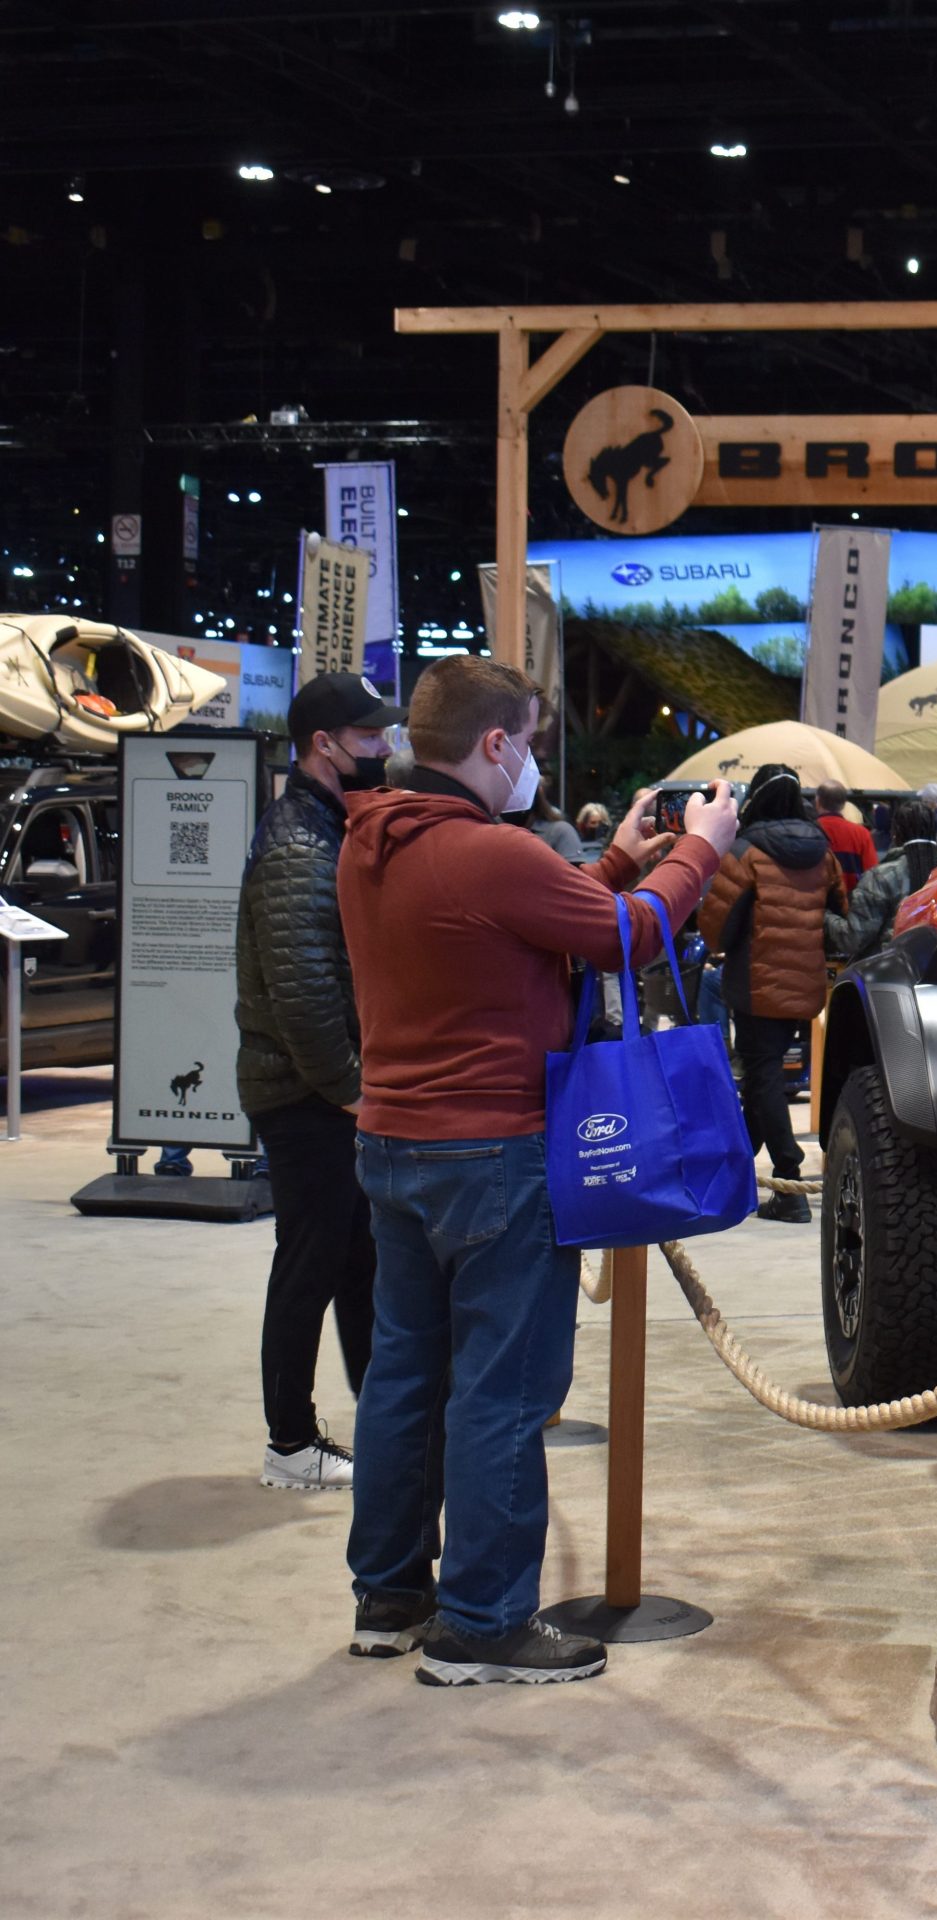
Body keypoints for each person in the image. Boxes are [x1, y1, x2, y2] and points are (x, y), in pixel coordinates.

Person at [337, 656, 737, 1686]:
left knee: (404, 1377)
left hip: (394, 1141)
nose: (535, 764)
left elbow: (516, 928)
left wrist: (607, 860)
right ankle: (481, 1624)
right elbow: (631, 934)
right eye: (531, 743)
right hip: (493, 1152)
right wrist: (699, 849)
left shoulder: (373, 841)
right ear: (496, 744)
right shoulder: (484, 853)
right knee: (503, 1394)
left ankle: (390, 1598)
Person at [236, 671, 402, 1492]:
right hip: (306, 1094)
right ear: (323, 746)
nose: (383, 748)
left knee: (353, 1257)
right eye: (369, 736)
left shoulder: (325, 826)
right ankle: (290, 1443)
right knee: (311, 1260)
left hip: (320, 1088)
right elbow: (301, 990)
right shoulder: (301, 842)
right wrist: (349, 1089)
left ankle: (380, 1425)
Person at [698, 765, 844, 1223]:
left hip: (756, 983)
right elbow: (841, 911)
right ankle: (733, 1174)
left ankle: (788, 1182)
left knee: (761, 1077)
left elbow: (717, 924)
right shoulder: (824, 852)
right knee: (766, 1081)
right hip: (805, 983)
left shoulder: (746, 851)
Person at [839, 797, 937, 964]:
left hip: (885, 972)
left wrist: (826, 918)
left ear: (896, 833)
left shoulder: (880, 877)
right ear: (934, 831)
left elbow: (854, 939)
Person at [812, 779, 875, 881]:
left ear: (817, 802)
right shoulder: (862, 834)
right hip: (853, 895)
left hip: (816, 894)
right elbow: (872, 874)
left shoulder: (808, 830)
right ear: (843, 804)